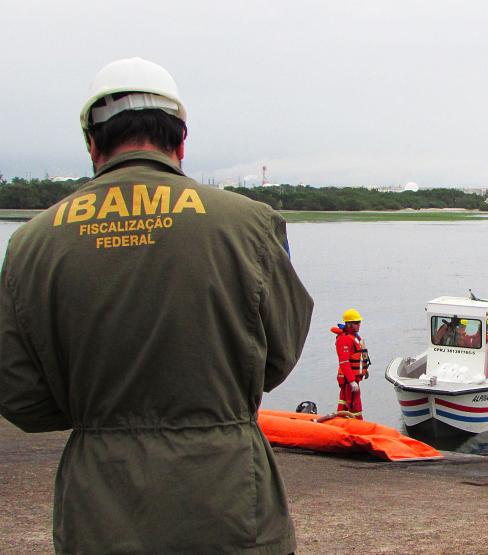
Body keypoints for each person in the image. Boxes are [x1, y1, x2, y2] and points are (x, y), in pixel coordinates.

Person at [0, 57, 313, 554]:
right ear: (181, 140)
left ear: (92, 144)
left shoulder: (31, 243)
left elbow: (21, 397)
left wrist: (100, 412)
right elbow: (279, 354)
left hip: (100, 507)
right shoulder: (249, 223)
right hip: (229, 499)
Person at [334, 308, 370, 419]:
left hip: (354, 378)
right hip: (348, 379)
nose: (359, 325)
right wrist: (351, 381)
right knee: (354, 405)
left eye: (359, 322)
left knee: (346, 404)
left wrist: (364, 370)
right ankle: (357, 426)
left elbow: (358, 357)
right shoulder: (345, 339)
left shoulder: (354, 338)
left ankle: (342, 422)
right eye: (356, 323)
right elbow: (344, 362)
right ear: (348, 324)